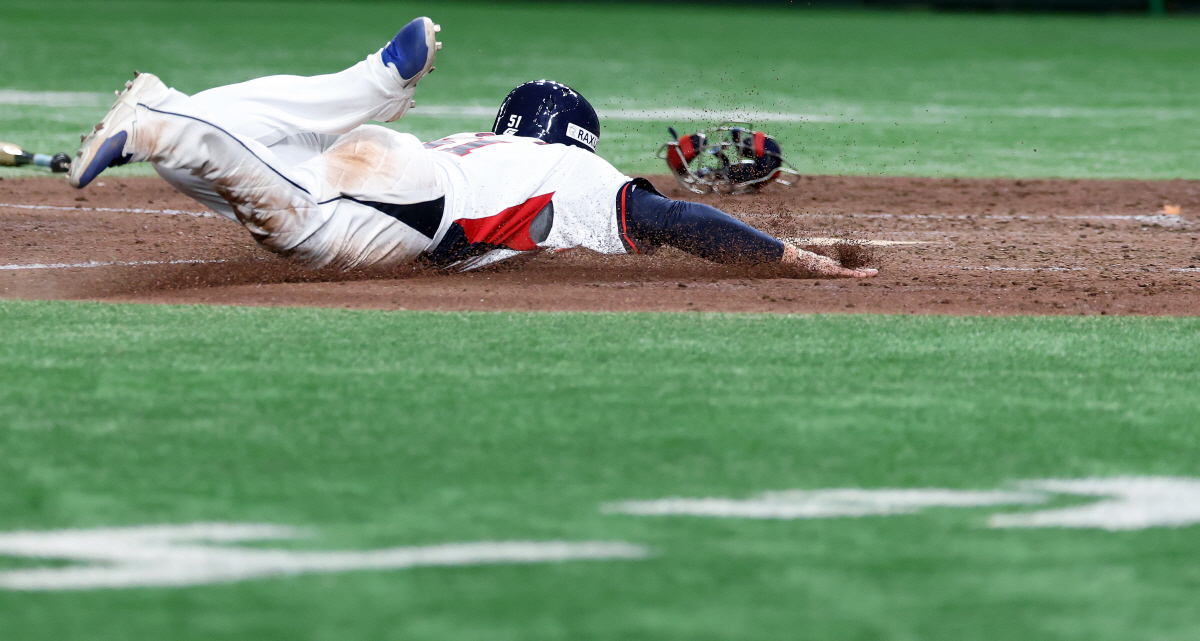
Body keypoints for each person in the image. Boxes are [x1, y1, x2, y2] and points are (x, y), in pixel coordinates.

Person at [68, 17, 876, 279]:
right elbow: (666, 214)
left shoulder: (482, 139)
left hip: (396, 156)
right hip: (420, 204)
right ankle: (159, 125)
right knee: (297, 227)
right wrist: (793, 258)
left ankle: (365, 84)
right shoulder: (576, 168)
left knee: (269, 156)